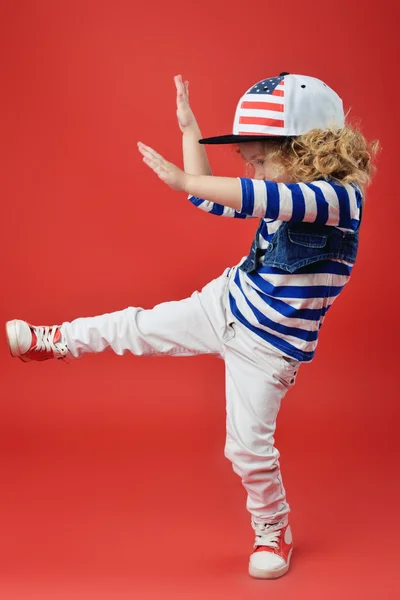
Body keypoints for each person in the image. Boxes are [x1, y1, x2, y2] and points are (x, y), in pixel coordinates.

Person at [5, 72, 379, 579]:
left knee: (245, 448)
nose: (251, 169)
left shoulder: (338, 201)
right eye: (248, 162)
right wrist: (189, 130)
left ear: (310, 150)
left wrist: (185, 180)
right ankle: (56, 341)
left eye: (261, 159)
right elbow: (210, 197)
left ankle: (274, 530)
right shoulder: (281, 187)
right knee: (137, 326)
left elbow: (261, 200)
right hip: (226, 303)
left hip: (268, 348)